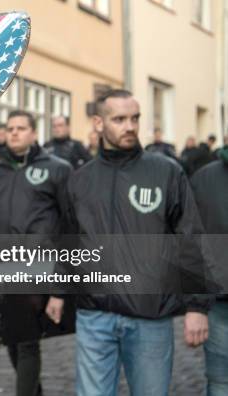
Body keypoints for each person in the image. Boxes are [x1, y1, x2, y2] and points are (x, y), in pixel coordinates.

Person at [45, 89, 209, 396]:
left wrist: (197, 305)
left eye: (134, 118)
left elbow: (190, 238)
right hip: (95, 315)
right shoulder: (79, 179)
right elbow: (69, 241)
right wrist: (58, 291)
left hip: (151, 316)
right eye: (119, 119)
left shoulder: (166, 172)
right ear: (98, 123)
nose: (130, 126)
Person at [0, 110, 72, 396]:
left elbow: (71, 223)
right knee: (11, 338)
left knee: (27, 340)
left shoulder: (57, 169)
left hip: (37, 267)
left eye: (21, 128)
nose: (14, 132)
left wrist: (60, 285)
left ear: (34, 133)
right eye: (10, 128)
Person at [191, 144, 228, 395]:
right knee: (220, 382)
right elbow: (190, 243)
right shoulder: (204, 179)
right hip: (218, 302)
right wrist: (196, 304)